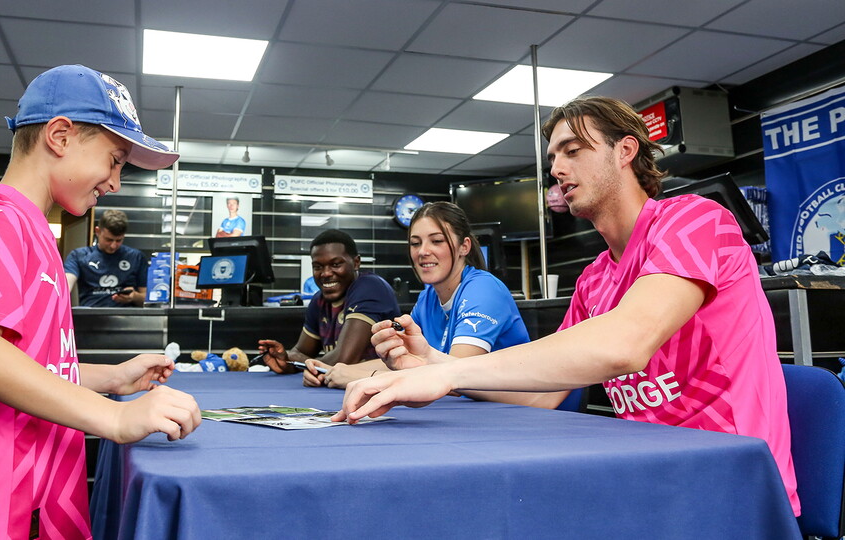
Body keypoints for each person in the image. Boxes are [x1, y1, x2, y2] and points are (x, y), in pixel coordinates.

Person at [335, 96, 800, 515]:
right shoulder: (594, 278)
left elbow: (627, 343)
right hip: (646, 478)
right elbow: (545, 393)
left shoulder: (695, 220)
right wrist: (431, 364)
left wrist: (449, 373)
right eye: (553, 156)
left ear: (626, 151)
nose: (556, 168)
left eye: (573, 150)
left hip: (733, 487)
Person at [0, 64, 202, 539]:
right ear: (60, 137)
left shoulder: (34, 231)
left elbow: (26, 362)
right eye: (115, 159)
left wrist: (112, 378)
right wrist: (114, 416)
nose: (115, 182)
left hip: (31, 493)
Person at [318, 202, 533, 401]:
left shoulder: (484, 289)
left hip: (524, 415)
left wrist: (367, 377)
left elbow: (455, 378)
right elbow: (404, 362)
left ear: (464, 247)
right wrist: (333, 369)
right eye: (415, 243)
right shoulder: (428, 296)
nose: (422, 252)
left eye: (437, 241)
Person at [259, 229, 400, 383]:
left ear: (356, 263)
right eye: (318, 267)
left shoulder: (370, 287)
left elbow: (345, 359)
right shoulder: (319, 300)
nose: (325, 273)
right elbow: (300, 352)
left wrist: (311, 367)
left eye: (335, 264)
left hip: (383, 391)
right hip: (342, 390)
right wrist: (286, 362)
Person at [64, 209, 147, 307]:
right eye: (109, 240)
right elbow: (66, 286)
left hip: (128, 318)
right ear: (97, 231)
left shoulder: (136, 257)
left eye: (118, 240)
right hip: (90, 318)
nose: (113, 245)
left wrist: (134, 297)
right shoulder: (78, 256)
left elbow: (147, 299)